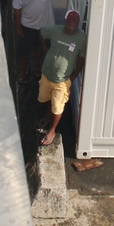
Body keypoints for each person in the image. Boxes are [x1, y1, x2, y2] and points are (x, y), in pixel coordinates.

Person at [12, 0, 75, 81]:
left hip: (45, 27)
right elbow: (17, 10)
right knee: (24, 53)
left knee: (39, 50)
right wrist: (18, 28)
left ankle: (36, 69)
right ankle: (21, 74)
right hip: (28, 27)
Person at [38, 9, 85, 149]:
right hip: (47, 74)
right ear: (65, 21)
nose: (72, 27)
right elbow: (41, 32)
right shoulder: (54, 30)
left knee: (58, 107)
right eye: (70, 23)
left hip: (62, 81)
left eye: (74, 24)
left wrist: (74, 75)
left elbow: (81, 58)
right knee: (46, 99)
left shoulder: (81, 38)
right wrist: (45, 50)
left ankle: (52, 131)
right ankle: (47, 118)